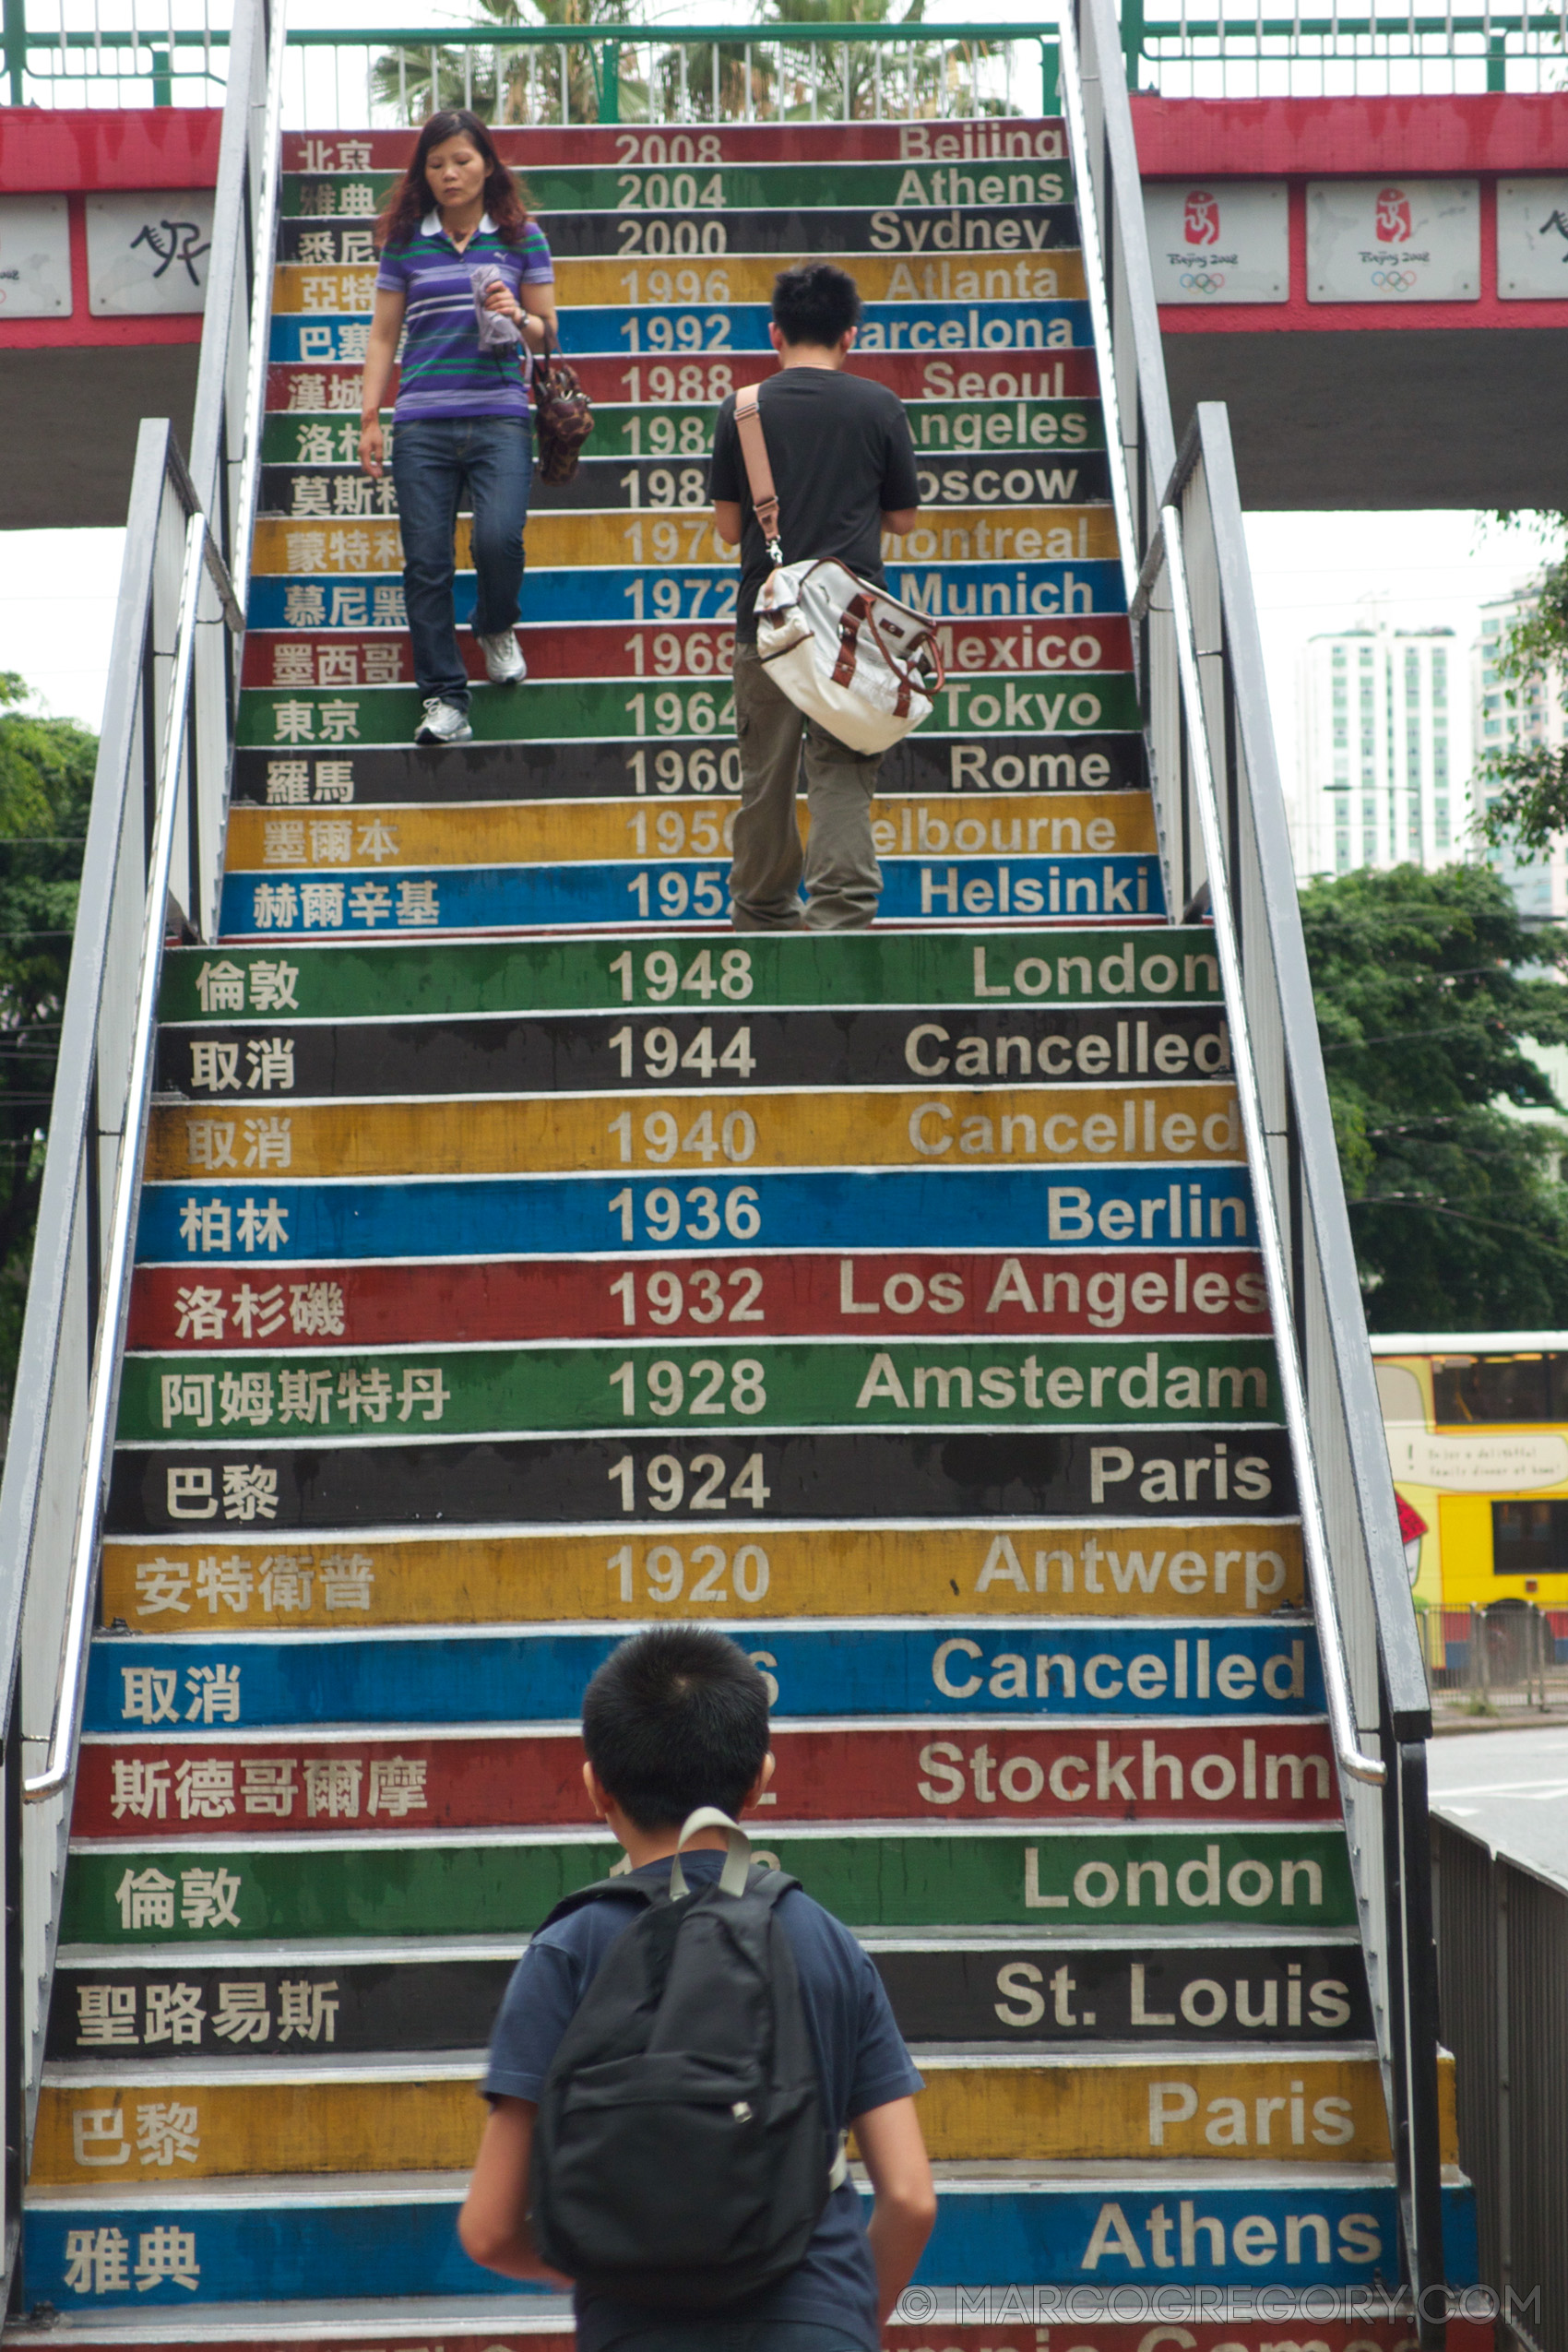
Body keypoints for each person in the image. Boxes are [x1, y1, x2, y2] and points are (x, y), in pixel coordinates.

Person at [459, 1626, 937, 2352]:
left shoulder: (569, 1949)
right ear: (761, 1778)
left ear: (596, 1786)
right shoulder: (822, 1939)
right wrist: (840, 2317)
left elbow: (490, 2228)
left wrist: (615, 2264)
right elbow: (908, 2198)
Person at [709, 264, 921, 931]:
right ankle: (842, 917)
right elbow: (903, 519)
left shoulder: (741, 409)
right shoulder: (879, 406)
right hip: (853, 628)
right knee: (841, 776)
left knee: (766, 778)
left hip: (767, 624)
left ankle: (764, 912)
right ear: (848, 336)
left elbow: (726, 529)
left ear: (775, 333)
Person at [361, 109, 557, 746]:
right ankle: (445, 699)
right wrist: (370, 416)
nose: (450, 173)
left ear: (488, 165)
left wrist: (517, 312)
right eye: (437, 163)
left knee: (499, 541)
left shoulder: (522, 236)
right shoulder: (405, 241)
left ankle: (496, 623)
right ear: (424, 172)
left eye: (462, 160)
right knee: (425, 565)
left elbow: (549, 333)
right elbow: (385, 333)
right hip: (422, 422)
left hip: (500, 413)